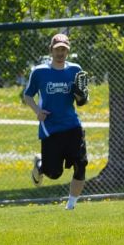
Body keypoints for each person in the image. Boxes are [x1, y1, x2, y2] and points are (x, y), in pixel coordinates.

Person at [23, 33, 89, 210]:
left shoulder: (75, 70)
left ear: (68, 51)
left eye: (64, 49)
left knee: (81, 164)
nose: (60, 53)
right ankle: (40, 164)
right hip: (50, 127)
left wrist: (80, 95)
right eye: (57, 49)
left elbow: (81, 101)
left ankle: (71, 207)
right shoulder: (39, 72)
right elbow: (27, 95)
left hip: (72, 125)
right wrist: (37, 111)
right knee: (54, 173)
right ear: (51, 50)